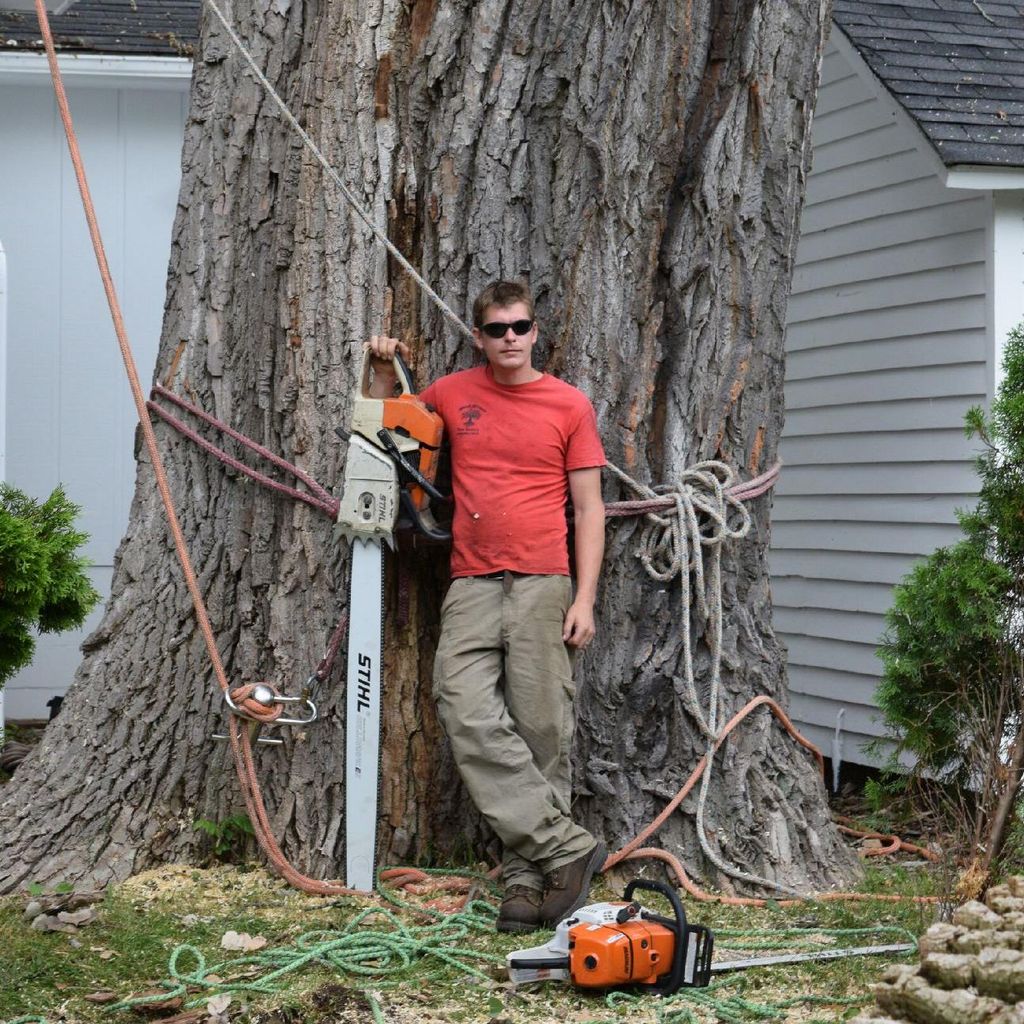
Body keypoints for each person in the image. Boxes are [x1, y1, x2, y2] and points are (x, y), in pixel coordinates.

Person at [367, 279, 607, 933]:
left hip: (542, 584)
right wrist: (382, 371)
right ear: (479, 336)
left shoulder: (568, 405)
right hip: (471, 583)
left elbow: (589, 510)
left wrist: (585, 598)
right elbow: (385, 436)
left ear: (535, 332)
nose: (510, 339)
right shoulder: (450, 393)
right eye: (497, 329)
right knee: (462, 705)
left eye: (520, 328)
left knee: (540, 732)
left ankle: (531, 884)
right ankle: (568, 849)